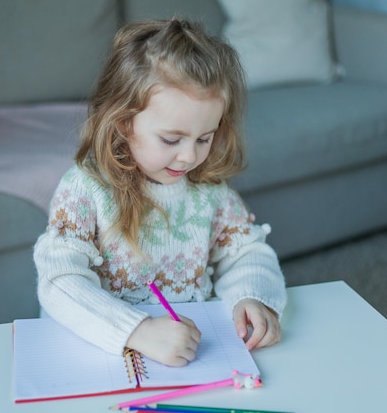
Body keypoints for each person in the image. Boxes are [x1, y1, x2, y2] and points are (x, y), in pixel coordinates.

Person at [34, 18, 286, 368]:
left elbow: (247, 253)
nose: (189, 156)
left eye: (204, 138)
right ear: (124, 121)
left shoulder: (208, 190)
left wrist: (252, 297)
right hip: (103, 353)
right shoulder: (84, 189)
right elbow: (59, 282)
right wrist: (137, 330)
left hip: (188, 356)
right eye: (171, 139)